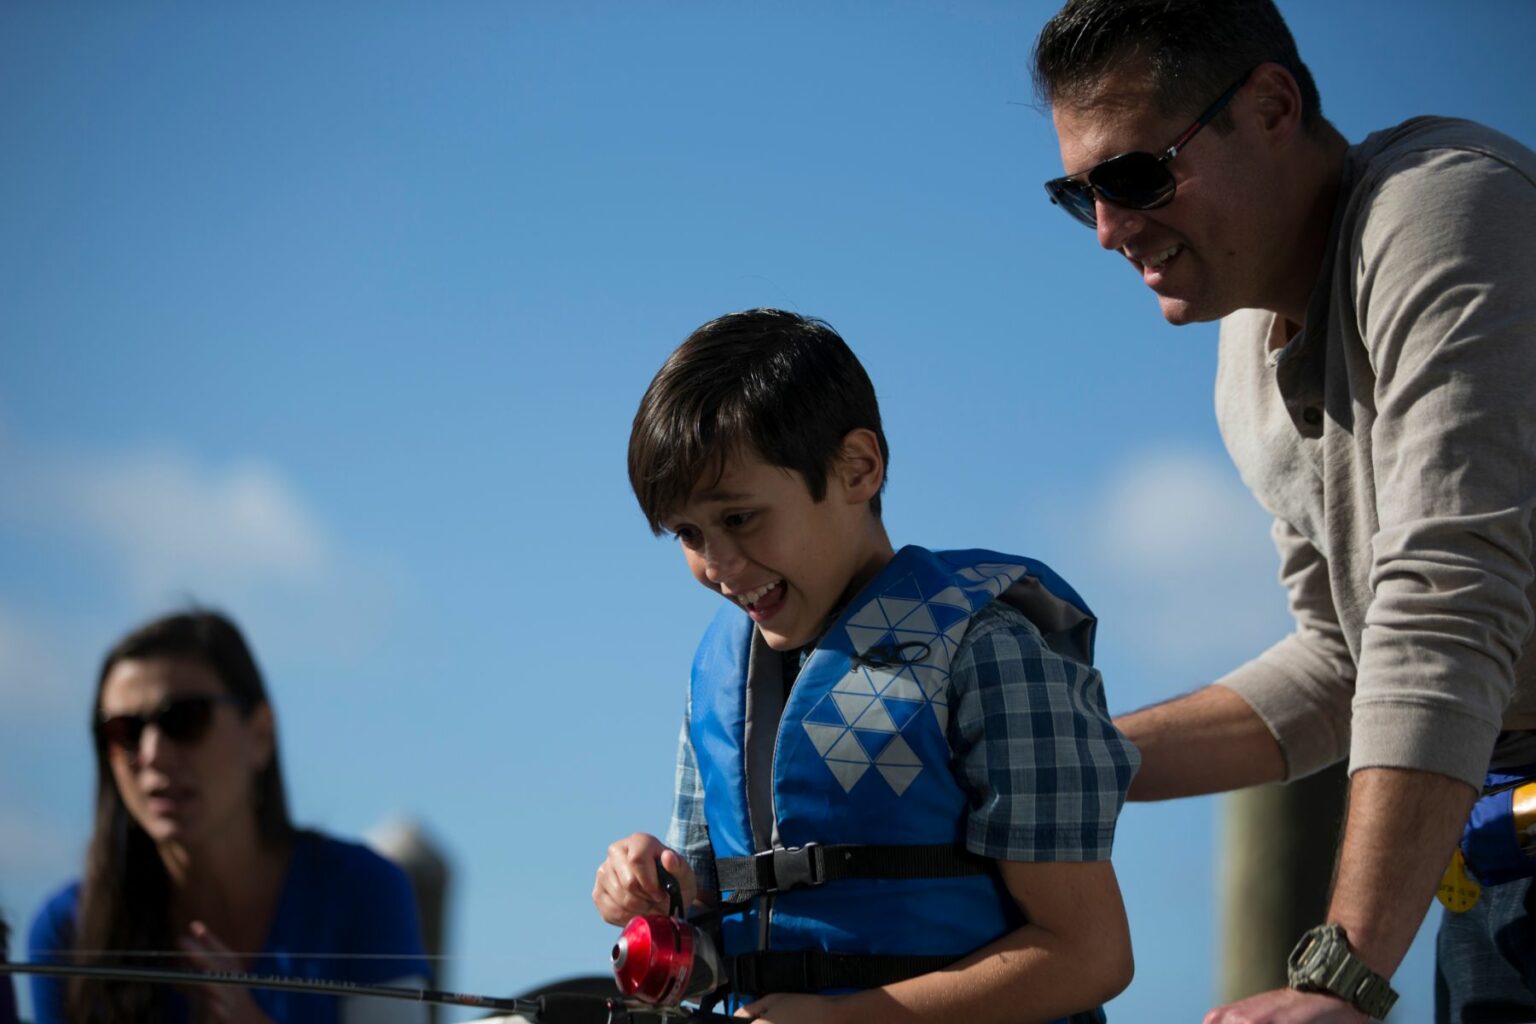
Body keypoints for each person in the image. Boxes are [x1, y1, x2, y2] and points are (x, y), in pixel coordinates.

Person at [1030, 1, 1536, 1021]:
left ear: (1270, 107)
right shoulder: (1242, 355)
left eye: (1134, 177)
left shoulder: (1447, 210)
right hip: (1492, 847)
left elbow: (1447, 597)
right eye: (1075, 192)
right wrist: (1076, 764)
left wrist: (1343, 978)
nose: (1107, 231)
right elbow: (1347, 665)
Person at [592, 309, 1140, 1024]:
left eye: (740, 518)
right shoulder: (721, 685)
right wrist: (649, 894)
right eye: (690, 535)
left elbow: (1091, 953)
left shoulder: (989, 652)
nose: (719, 567)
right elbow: (714, 943)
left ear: (857, 468)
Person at [27, 610, 431, 1024]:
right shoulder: (65, 932)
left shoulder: (363, 890)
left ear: (260, 734)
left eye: (184, 719)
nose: (152, 754)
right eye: (123, 731)